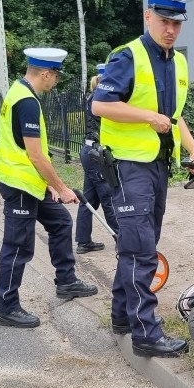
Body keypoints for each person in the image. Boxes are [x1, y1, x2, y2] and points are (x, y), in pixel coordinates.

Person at [92, 0, 194, 358]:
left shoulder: (179, 62)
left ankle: (123, 318)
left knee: (138, 246)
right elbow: (100, 105)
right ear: (148, 17)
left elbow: (174, 117)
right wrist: (148, 118)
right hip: (128, 166)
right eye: (163, 20)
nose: (170, 28)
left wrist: (193, 149)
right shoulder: (127, 56)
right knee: (141, 251)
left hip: (158, 166)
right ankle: (146, 334)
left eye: (176, 22)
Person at [0, 47, 98, 328]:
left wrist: (48, 185)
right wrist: (61, 187)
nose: (56, 82)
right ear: (45, 73)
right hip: (19, 185)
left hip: (29, 181)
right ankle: (8, 306)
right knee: (17, 247)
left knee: (61, 222)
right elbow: (35, 155)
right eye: (56, 77)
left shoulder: (18, 91)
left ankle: (66, 281)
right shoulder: (26, 101)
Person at [75, 63, 119, 253]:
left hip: (89, 151)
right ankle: (122, 239)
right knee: (108, 196)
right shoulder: (101, 100)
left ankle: (84, 241)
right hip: (96, 154)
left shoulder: (93, 98)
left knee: (90, 199)